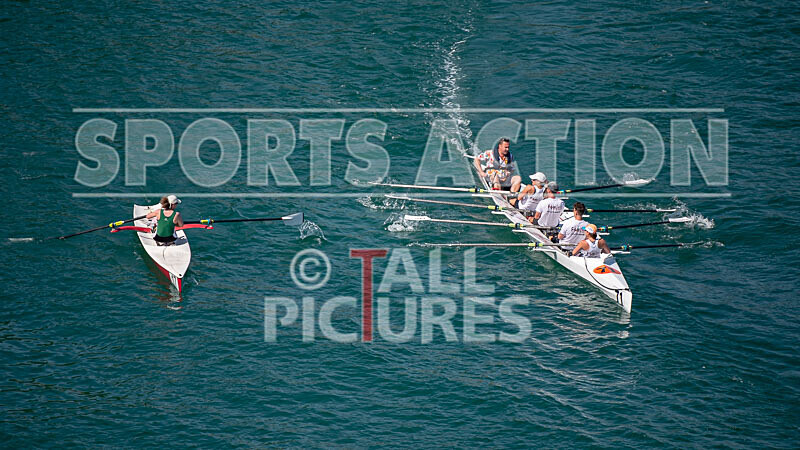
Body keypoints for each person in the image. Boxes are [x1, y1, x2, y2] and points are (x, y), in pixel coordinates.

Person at [473, 138, 522, 204]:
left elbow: (511, 169)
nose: (507, 149)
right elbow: (477, 159)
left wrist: (508, 174)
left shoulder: (510, 156)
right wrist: (481, 172)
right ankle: (499, 196)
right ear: (500, 146)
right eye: (505, 147)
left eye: (508, 147)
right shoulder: (490, 153)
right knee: (496, 177)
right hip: (492, 176)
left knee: (518, 178)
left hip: (504, 178)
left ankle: (511, 197)